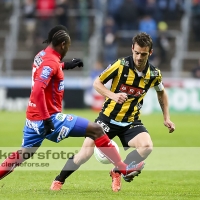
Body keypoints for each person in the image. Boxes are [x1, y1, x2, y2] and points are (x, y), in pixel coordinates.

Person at [0, 25, 144, 182]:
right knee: (96, 129)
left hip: (32, 119)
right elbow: (37, 90)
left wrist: (66, 65)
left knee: (22, 154)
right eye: (67, 47)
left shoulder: (41, 55)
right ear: (62, 44)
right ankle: (124, 169)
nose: (67, 50)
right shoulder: (51, 63)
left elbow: (50, 67)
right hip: (48, 118)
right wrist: (47, 119)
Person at [50, 32, 175, 192]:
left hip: (131, 122)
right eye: (136, 53)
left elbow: (161, 92)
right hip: (107, 119)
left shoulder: (154, 74)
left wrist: (167, 117)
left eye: (143, 54)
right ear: (132, 49)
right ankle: (59, 180)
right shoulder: (120, 65)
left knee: (147, 146)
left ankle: (117, 171)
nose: (139, 57)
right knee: (84, 154)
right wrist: (113, 95)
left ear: (150, 53)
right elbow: (97, 83)